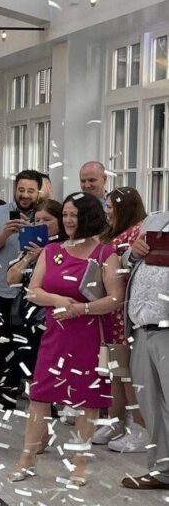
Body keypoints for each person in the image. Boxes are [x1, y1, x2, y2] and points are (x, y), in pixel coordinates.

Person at [12, 194, 123, 487]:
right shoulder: (51, 251)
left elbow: (115, 298)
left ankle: (80, 463)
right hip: (55, 334)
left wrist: (81, 308)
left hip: (90, 335)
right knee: (40, 395)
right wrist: (58, 299)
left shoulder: (105, 254)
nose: (69, 220)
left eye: (75, 215)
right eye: (67, 215)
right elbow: (33, 290)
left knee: (87, 400)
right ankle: (28, 456)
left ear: (89, 217)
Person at [0, 170, 43, 409]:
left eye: (30, 190)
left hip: (34, 289)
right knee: (3, 341)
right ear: (14, 189)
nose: (25, 195)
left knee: (28, 343)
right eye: (21, 190)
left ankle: (30, 391)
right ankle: (5, 392)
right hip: (2, 288)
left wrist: (35, 230)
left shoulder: (43, 214)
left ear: (38, 191)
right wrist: (4, 233)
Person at [96, 187, 149, 453]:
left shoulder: (137, 232)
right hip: (111, 313)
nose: (106, 212)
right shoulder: (116, 232)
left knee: (126, 373)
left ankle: (138, 427)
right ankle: (115, 420)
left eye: (110, 207)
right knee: (115, 371)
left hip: (124, 313)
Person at [120, 210, 169, 490]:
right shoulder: (155, 220)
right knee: (150, 405)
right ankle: (162, 470)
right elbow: (127, 262)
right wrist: (134, 252)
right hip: (141, 326)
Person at [4, 199, 65, 391]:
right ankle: (35, 397)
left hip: (52, 309)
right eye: (37, 220)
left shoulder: (65, 246)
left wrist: (46, 257)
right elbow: (11, 279)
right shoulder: (29, 248)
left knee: (50, 357)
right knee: (28, 357)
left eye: (47, 220)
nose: (41, 225)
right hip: (26, 310)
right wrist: (29, 257)